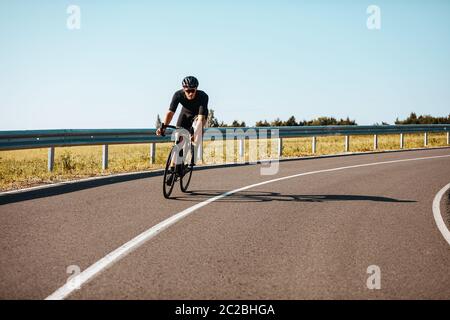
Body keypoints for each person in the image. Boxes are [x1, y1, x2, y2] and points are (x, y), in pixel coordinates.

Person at [156, 76, 209, 183]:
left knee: (197, 133)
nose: (190, 93)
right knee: (178, 139)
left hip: (199, 115)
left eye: (192, 90)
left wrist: (196, 137)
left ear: (196, 89)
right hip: (185, 114)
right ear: (183, 89)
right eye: (187, 91)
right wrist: (163, 127)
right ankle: (173, 168)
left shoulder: (203, 96)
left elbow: (200, 120)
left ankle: (193, 153)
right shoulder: (178, 95)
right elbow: (170, 113)